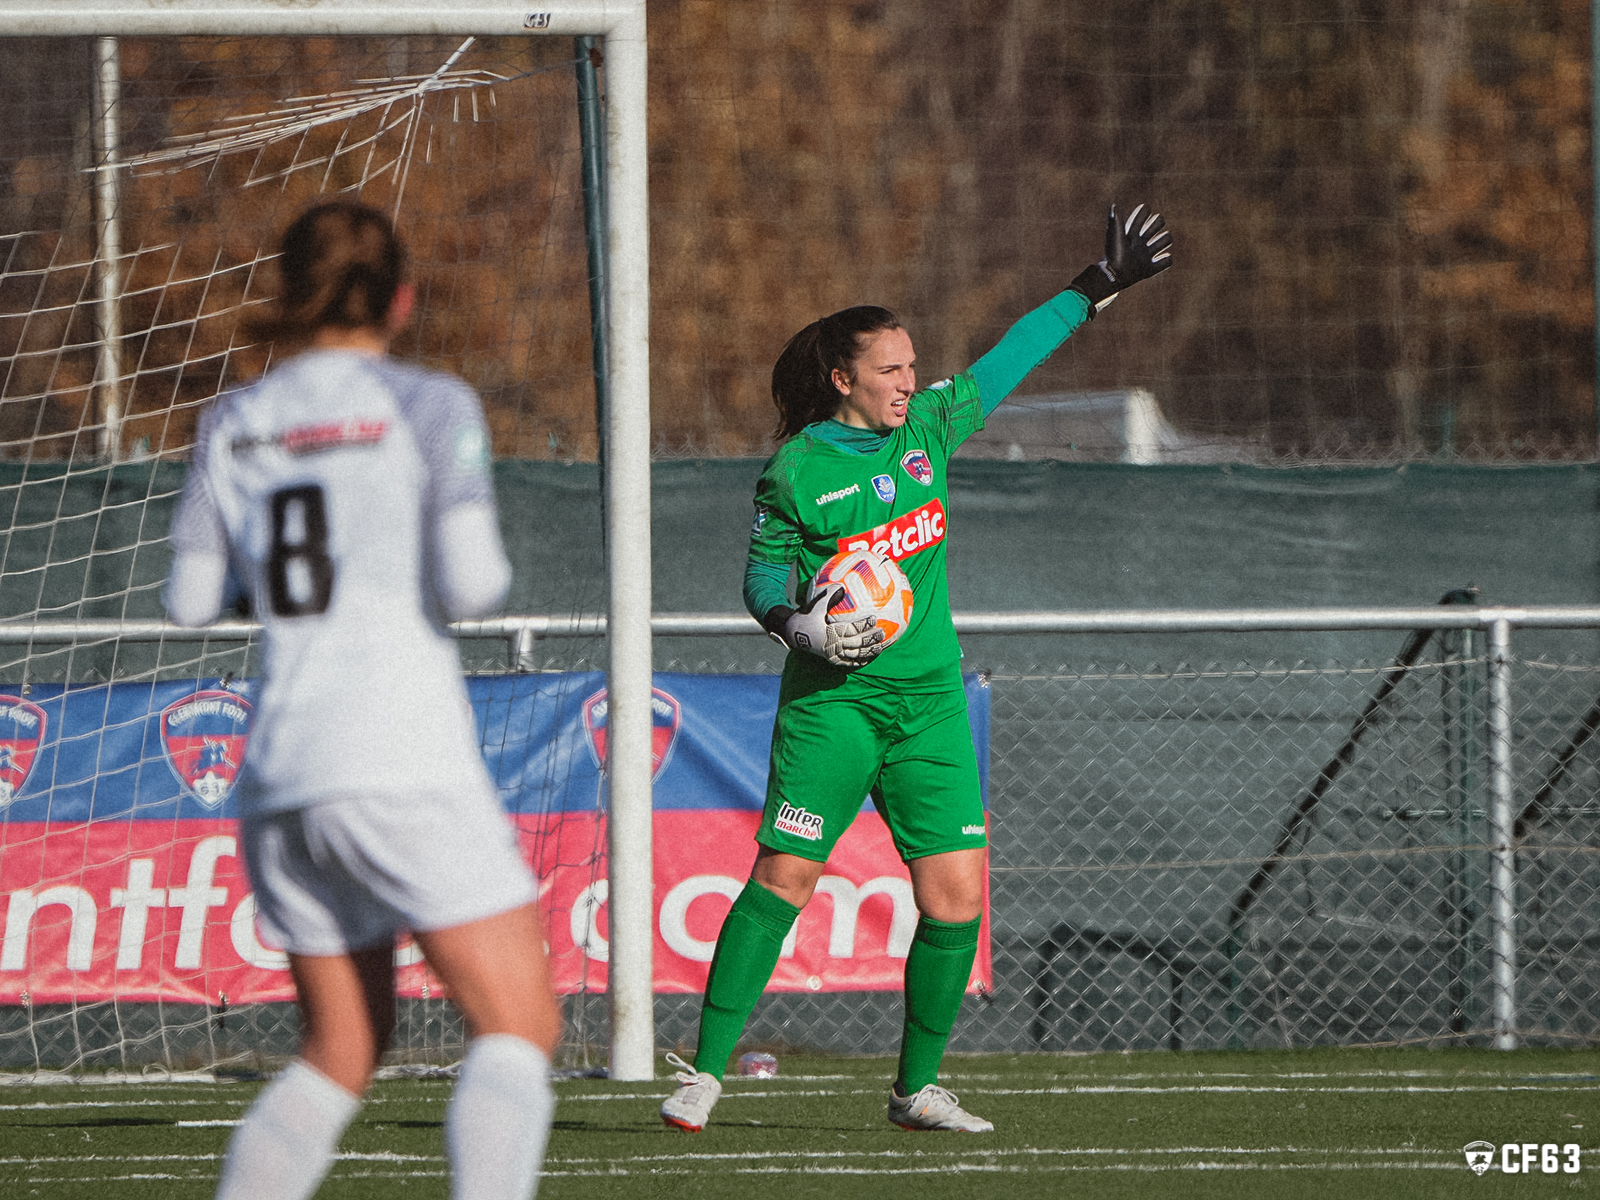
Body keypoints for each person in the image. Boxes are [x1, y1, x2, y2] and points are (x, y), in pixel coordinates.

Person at [660, 204, 1173, 1134]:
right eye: (890, 368)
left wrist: (1097, 287)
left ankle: (915, 1090)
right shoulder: (798, 471)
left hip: (932, 705)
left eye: (910, 364)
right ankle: (703, 1073)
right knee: (784, 877)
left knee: (956, 896)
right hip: (837, 707)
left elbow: (1006, 363)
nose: (908, 379)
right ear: (842, 378)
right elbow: (762, 573)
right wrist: (794, 626)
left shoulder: (930, 429)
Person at [164, 200, 560, 1200]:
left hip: (282, 772)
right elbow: (474, 585)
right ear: (403, 299)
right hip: (398, 751)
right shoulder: (428, 404)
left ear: (289, 295)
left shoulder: (235, 419)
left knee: (341, 1048)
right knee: (518, 1028)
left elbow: (190, 600)